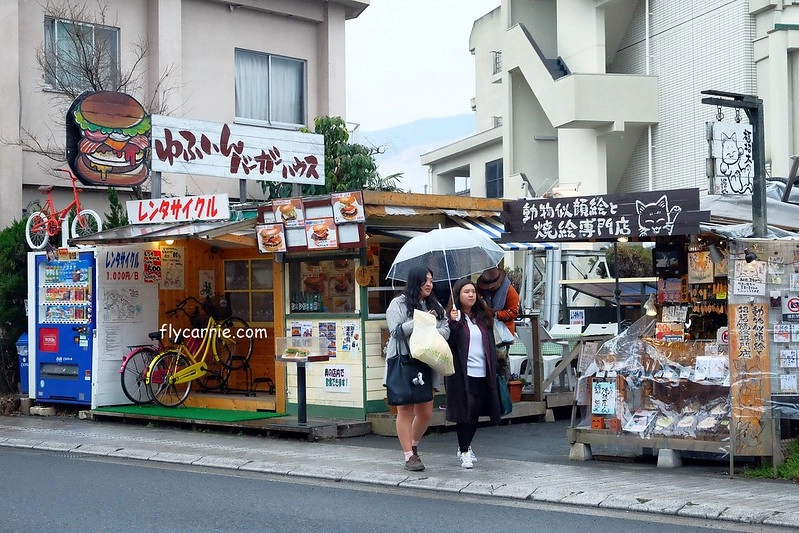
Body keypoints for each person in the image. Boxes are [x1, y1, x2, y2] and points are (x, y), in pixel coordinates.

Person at [384, 266, 449, 472]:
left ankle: (413, 445)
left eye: (431, 280)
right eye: (425, 281)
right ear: (415, 282)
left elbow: (445, 330)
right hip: (404, 361)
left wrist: (432, 325)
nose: (429, 284)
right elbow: (395, 331)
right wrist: (420, 321)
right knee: (405, 409)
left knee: (426, 411)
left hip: (427, 362)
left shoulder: (434, 304)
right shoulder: (398, 304)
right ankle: (408, 455)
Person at [445, 277, 501, 469]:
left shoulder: (482, 317)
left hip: (482, 372)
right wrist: (453, 323)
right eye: (466, 292)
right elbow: (449, 346)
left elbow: (491, 346)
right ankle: (465, 451)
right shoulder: (453, 318)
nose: (470, 295)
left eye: (473, 291)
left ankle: (465, 445)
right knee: (465, 413)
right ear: (457, 296)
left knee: (476, 413)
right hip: (462, 374)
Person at [476, 267, 520, 379]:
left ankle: (503, 385)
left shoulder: (510, 291)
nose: (489, 289)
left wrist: (496, 314)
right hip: (485, 328)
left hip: (503, 332)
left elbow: (514, 312)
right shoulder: (481, 290)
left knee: (502, 361)